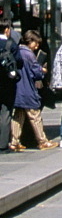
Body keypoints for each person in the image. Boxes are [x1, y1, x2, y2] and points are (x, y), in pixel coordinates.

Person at [10, 30, 57, 151]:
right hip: (28, 89)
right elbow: (37, 73)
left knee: (18, 116)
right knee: (35, 116)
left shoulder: (16, 51)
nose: (37, 46)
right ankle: (42, 141)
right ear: (29, 41)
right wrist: (43, 70)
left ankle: (14, 142)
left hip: (17, 89)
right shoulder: (29, 55)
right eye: (35, 43)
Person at [0, 18, 23, 152]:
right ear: (7, 29)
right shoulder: (11, 44)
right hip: (8, 83)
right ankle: (2, 144)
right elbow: (19, 62)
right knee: (6, 112)